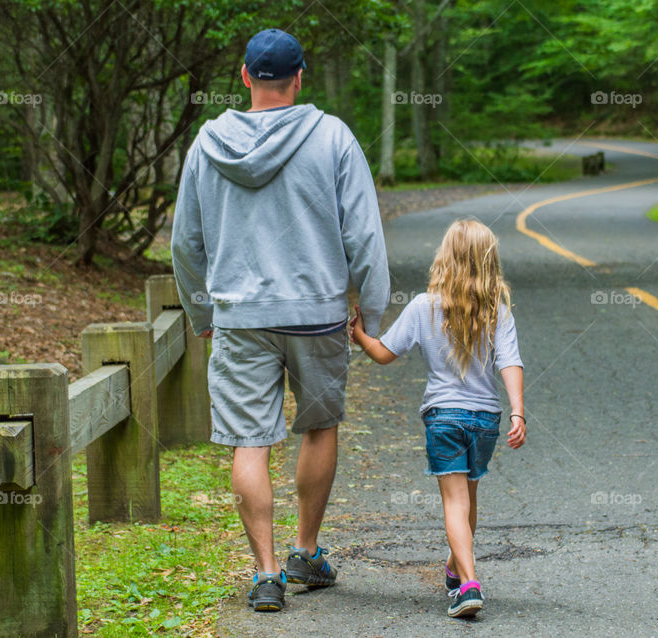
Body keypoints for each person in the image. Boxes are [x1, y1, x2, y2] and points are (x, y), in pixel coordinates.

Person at [171, 28, 390, 612]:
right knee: (319, 427)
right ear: (300, 77)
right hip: (318, 315)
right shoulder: (333, 137)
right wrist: (372, 308)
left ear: (244, 76)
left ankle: (265, 574)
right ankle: (306, 552)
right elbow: (364, 233)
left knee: (249, 440)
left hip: (241, 317)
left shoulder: (206, 143)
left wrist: (202, 311)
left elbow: (186, 243)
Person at [350, 219, 526, 618]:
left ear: (444, 257)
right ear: (488, 261)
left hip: (444, 417)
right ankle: (454, 568)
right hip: (485, 420)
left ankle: (468, 584)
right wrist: (517, 410)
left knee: (454, 502)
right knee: (469, 498)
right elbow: (510, 363)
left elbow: (383, 354)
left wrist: (359, 335)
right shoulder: (497, 311)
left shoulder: (422, 306)